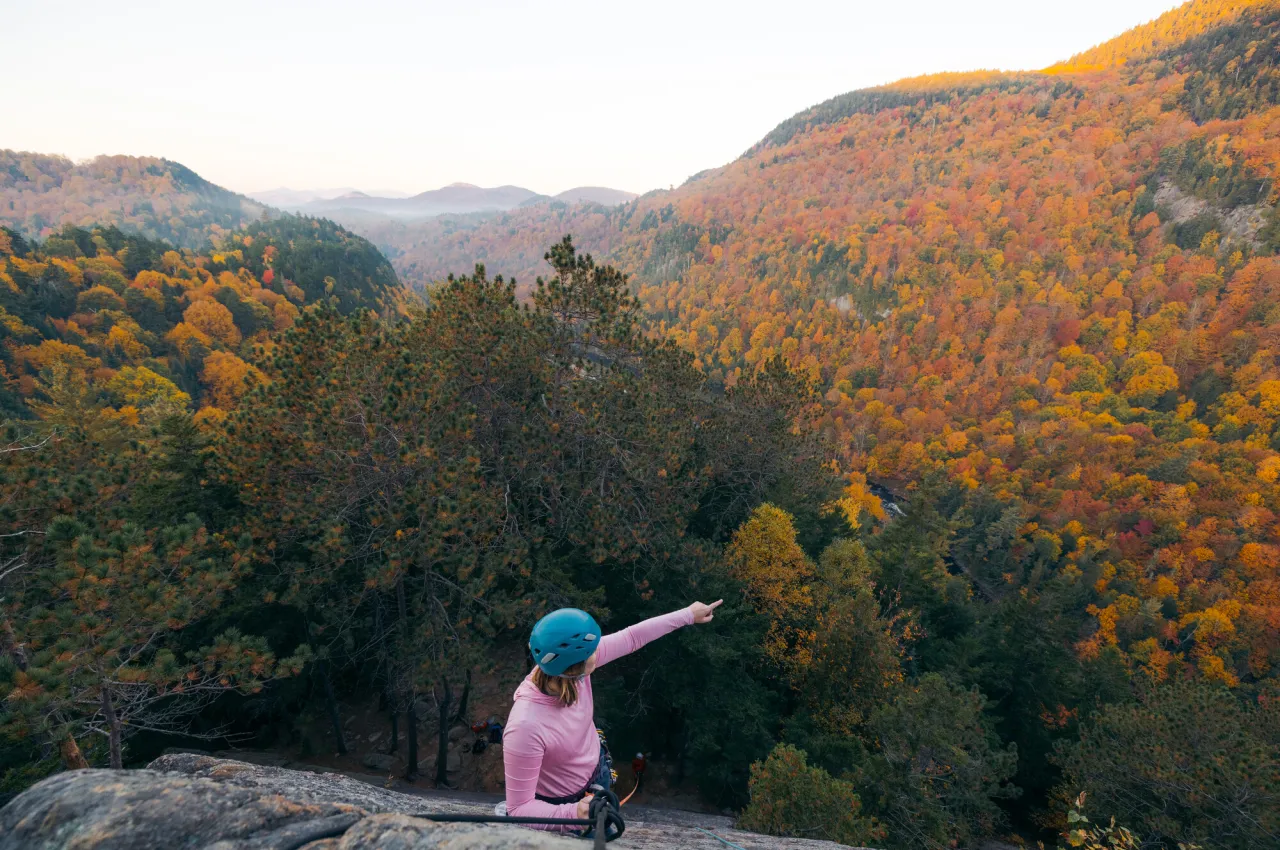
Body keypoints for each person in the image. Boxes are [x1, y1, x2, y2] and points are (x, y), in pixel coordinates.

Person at [502, 600, 723, 831]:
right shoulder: (525, 727)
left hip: (597, 772)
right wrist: (573, 813)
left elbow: (631, 638)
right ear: (573, 668)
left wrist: (688, 615)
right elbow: (518, 808)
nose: (598, 652)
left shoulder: (569, 672)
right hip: (564, 804)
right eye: (591, 651)